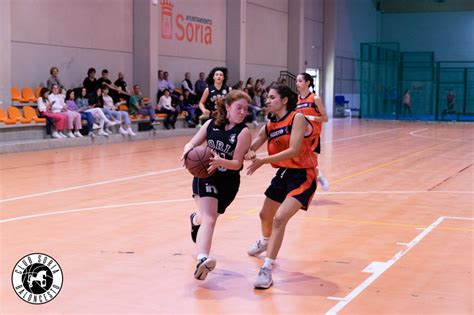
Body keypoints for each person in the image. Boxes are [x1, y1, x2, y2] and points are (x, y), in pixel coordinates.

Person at [245, 84, 318, 289]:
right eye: (267, 98)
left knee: (279, 218)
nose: (267, 101)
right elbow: (253, 144)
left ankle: (267, 269)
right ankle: (265, 241)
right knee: (264, 215)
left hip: (303, 174)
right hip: (284, 173)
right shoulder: (269, 125)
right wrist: (247, 152)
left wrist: (262, 161)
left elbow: (294, 150)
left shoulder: (297, 118)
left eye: (272, 97)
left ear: (284, 100)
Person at [181, 90, 252, 281]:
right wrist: (187, 153)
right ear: (228, 107)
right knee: (210, 219)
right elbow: (191, 143)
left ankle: (194, 220)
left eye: (245, 109)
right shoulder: (210, 124)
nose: (242, 112)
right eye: (239, 108)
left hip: (228, 182)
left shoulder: (244, 132)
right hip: (206, 176)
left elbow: (237, 163)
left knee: (207, 218)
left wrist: (221, 161)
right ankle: (202, 259)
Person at [296, 73, 329, 191]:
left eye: (300, 81)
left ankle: (318, 177)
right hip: (300, 139)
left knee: (310, 164)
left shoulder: (315, 99)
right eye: (296, 81)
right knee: (300, 164)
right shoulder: (296, 100)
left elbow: (325, 118)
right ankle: (315, 178)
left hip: (313, 138)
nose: (297, 83)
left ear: (307, 83)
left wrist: (310, 118)